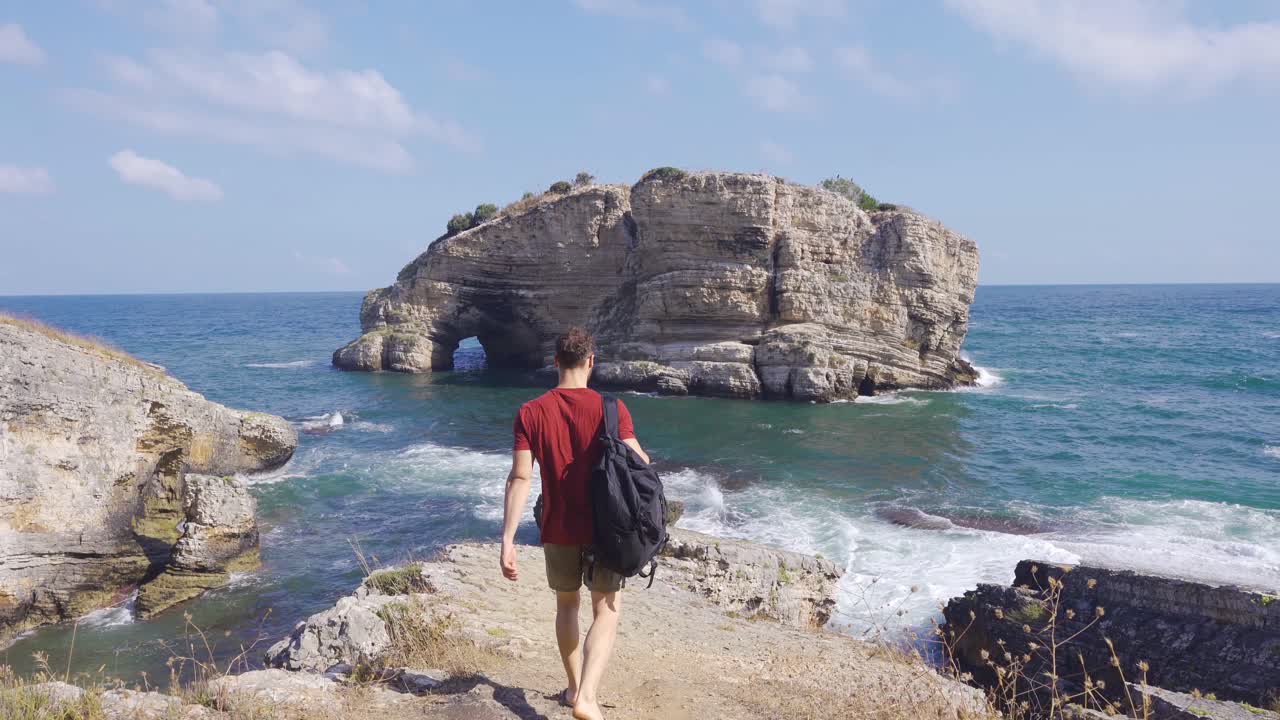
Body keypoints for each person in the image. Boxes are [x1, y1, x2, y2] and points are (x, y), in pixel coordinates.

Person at [499, 327, 650, 720]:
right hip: (609, 528)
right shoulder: (612, 409)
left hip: (557, 525)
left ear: (555, 362)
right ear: (590, 362)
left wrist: (508, 540)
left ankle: (572, 687)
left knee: (567, 605)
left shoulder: (530, 412)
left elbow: (520, 477)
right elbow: (640, 463)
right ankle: (587, 696)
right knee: (607, 608)